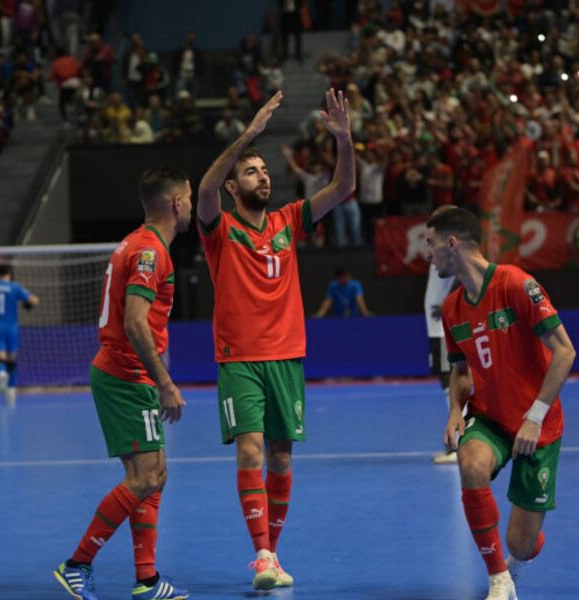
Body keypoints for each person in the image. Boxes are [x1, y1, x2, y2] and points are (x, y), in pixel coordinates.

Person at [197, 88, 354, 590]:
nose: (262, 176)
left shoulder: (289, 221)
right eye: (250, 171)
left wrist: (345, 140)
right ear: (232, 186)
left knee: (282, 458)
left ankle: (273, 554)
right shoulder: (218, 228)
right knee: (250, 452)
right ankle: (262, 554)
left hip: (287, 356)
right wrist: (247, 136)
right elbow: (202, 189)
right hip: (239, 359)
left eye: (264, 170)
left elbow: (343, 188)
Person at [53, 166, 192, 600]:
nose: (191, 204)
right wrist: (165, 382)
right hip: (126, 375)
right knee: (145, 477)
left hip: (128, 374)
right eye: (188, 197)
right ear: (176, 203)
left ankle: (147, 580)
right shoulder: (152, 252)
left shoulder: (135, 243)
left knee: (155, 476)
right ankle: (76, 564)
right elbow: (134, 322)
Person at [427, 208, 576, 600]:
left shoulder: (515, 283)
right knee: (471, 464)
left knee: (520, 545)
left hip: (537, 424)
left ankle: (517, 559)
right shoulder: (452, 308)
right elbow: (460, 371)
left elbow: (564, 352)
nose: (427, 254)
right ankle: (498, 579)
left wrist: (535, 416)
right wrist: (455, 411)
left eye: (431, 243)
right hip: (490, 418)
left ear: (452, 244)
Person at [0, 264, 39, 405]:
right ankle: (11, 390)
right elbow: (34, 300)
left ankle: (1, 373)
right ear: (9, 273)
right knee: (12, 358)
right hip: (12, 326)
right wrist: (27, 304)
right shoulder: (15, 287)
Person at [425, 205, 458, 464]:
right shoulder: (439, 246)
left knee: (451, 383)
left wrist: (449, 303)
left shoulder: (451, 248)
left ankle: (458, 444)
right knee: (445, 381)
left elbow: (463, 272)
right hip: (435, 329)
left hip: (441, 329)